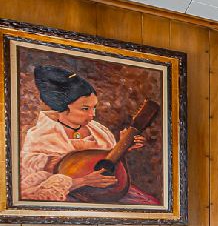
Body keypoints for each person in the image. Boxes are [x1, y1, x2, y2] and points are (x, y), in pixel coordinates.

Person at [19, 65, 152, 203]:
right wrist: (84, 181)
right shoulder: (41, 137)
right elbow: (33, 191)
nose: (92, 115)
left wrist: (123, 147)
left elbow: (107, 165)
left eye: (94, 108)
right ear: (62, 107)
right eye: (85, 109)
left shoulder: (99, 131)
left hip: (105, 195)